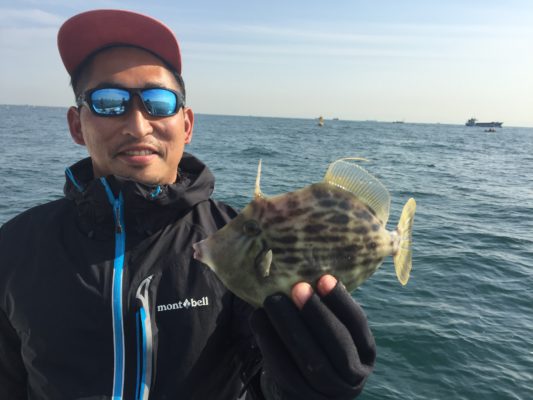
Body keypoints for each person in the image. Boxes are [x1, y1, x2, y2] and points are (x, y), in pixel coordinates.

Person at [0, 9, 376, 400]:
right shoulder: (14, 248)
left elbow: (263, 378)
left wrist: (307, 384)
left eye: (159, 102)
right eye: (108, 102)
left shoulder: (230, 240)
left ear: (187, 125)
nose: (137, 125)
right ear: (77, 125)